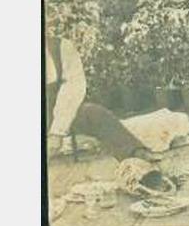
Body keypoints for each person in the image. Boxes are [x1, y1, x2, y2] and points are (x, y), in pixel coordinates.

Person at [45, 35, 158, 167]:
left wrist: (57, 131)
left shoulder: (61, 47)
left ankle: (135, 153)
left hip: (59, 109)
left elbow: (73, 88)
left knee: (94, 113)